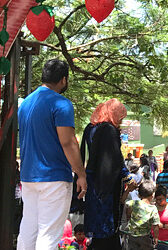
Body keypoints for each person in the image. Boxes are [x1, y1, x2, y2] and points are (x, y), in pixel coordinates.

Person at [17, 59, 87, 250]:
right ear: (63, 80)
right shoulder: (61, 103)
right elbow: (68, 142)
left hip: (29, 177)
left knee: (28, 229)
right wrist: (81, 174)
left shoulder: (25, 103)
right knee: (48, 234)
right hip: (54, 177)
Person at [81, 98, 132, 249]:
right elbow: (115, 158)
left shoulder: (90, 128)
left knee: (96, 226)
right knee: (107, 228)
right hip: (106, 185)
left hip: (92, 181)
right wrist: (128, 177)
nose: (121, 121)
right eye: (120, 117)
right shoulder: (109, 130)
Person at [125, 180, 160, 249]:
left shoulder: (133, 203)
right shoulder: (153, 209)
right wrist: (156, 237)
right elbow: (155, 225)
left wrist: (128, 216)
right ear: (152, 195)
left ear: (139, 195)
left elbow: (126, 206)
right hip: (145, 237)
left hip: (132, 236)